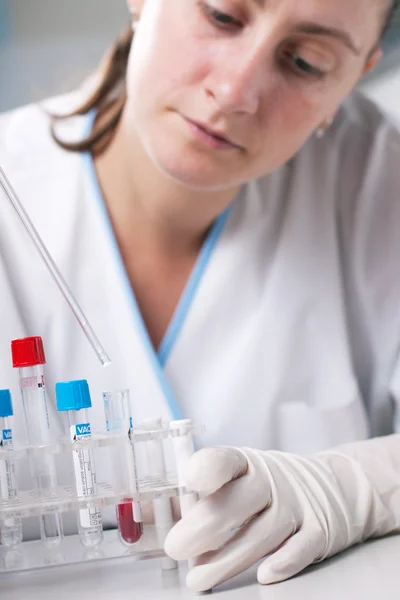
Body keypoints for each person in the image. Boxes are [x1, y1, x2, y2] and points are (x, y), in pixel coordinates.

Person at [1, 0, 400, 592]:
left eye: (305, 61)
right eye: (221, 15)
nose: (236, 90)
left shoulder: (376, 178)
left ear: (355, 75)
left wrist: (359, 486)